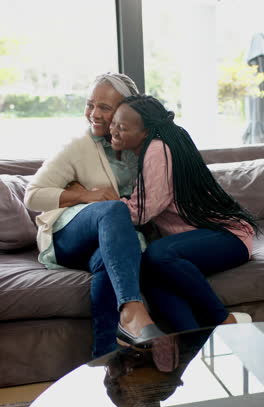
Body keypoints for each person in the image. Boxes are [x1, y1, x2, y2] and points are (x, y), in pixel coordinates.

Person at [24, 74, 165, 360]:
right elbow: (33, 194)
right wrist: (84, 196)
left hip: (109, 241)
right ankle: (133, 309)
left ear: (127, 111)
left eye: (104, 107)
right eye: (90, 105)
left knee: (108, 260)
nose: (94, 114)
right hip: (67, 237)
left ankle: (105, 358)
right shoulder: (78, 147)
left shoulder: (143, 150)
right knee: (113, 210)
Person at [107, 94, 259, 337]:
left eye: (122, 127)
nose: (113, 129)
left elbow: (142, 211)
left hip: (228, 236)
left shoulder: (157, 149)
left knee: (158, 254)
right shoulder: (153, 146)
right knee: (148, 272)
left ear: (145, 132)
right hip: (201, 237)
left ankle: (224, 319)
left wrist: (104, 200)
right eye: (113, 122)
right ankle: (192, 342)